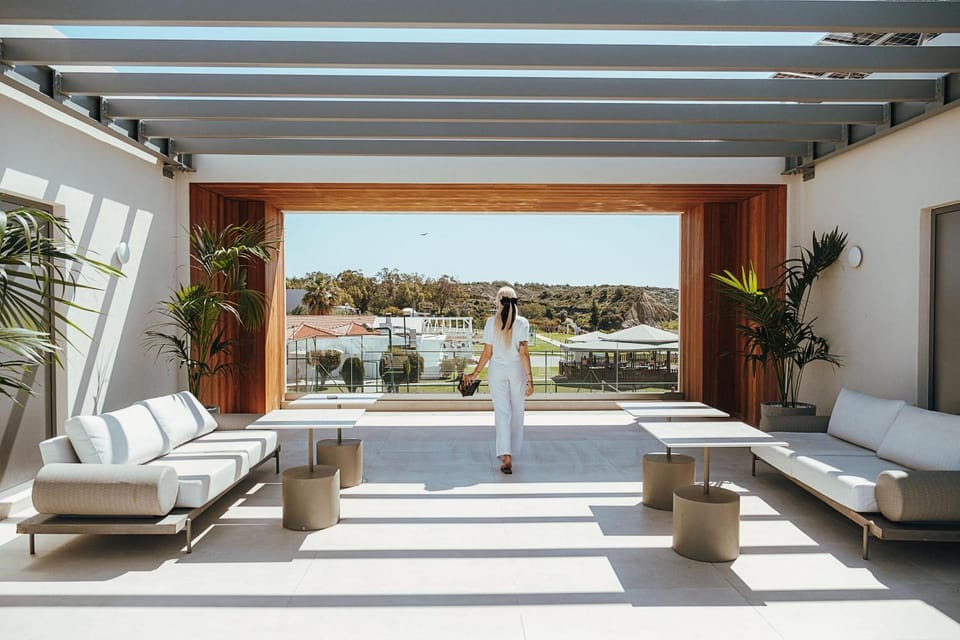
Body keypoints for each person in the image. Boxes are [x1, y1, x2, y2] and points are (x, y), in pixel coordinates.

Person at [462, 286, 534, 474]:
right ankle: (512, 451)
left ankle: (506, 455)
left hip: (497, 372)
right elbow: (524, 353)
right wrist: (530, 379)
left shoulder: (490, 323)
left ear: (498, 301)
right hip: (517, 371)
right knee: (517, 411)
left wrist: (474, 374)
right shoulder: (523, 323)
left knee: (502, 413)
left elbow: (487, 353)